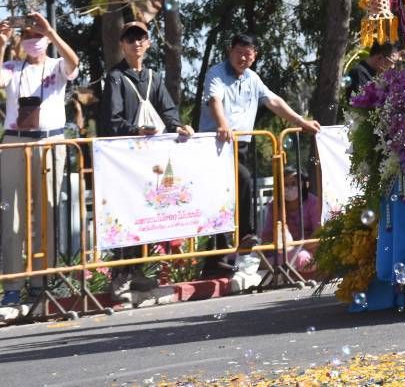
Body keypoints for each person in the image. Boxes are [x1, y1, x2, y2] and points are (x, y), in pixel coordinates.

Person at [198, 34, 320, 276]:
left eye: (248, 54)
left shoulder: (253, 79)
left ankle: (217, 261)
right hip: (217, 145)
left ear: (255, 57)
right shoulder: (216, 73)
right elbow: (214, 100)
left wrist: (301, 121)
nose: (242, 58)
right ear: (230, 51)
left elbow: (274, 101)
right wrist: (223, 124)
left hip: (242, 145)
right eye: (238, 52)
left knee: (227, 200)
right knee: (241, 181)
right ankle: (246, 234)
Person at [98, 20, 191, 301]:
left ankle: (137, 271)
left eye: (141, 38)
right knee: (124, 215)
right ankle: (120, 276)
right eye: (130, 39)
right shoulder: (115, 77)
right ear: (122, 45)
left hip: (148, 162)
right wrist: (136, 130)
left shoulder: (154, 76)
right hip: (123, 161)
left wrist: (179, 126)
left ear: (148, 43)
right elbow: (112, 120)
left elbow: (169, 111)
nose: (136, 43)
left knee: (144, 214)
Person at [1, 13, 79, 306]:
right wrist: (2, 43)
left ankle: (40, 284)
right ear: (21, 40)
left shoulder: (56, 66)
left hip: (49, 142)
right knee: (12, 215)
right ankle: (12, 287)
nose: (33, 40)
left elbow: (74, 63)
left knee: (46, 213)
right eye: (28, 35)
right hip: (15, 141)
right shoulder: (12, 67)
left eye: (38, 35)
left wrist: (51, 32)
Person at [260, 166, 322, 278]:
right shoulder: (275, 206)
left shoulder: (313, 203)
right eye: (285, 185)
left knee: (303, 259)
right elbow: (267, 235)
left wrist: (297, 247)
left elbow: (318, 233)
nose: (289, 188)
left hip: (309, 250)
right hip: (282, 251)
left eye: (293, 183)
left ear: (302, 184)